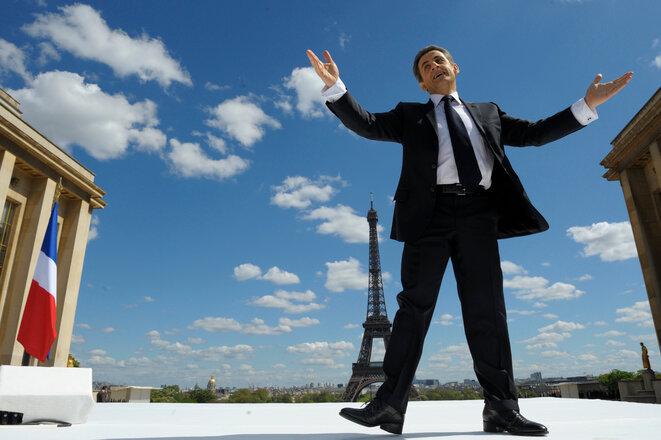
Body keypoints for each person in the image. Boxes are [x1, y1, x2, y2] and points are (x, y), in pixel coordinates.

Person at [307, 46, 632, 436]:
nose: (433, 67)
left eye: (438, 60)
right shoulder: (410, 115)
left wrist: (586, 105)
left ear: (453, 68)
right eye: (425, 66)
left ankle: (501, 409)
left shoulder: (488, 112)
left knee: (487, 311)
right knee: (414, 308)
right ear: (422, 82)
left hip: (479, 213)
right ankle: (388, 404)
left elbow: (534, 134)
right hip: (429, 216)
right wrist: (336, 89)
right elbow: (369, 124)